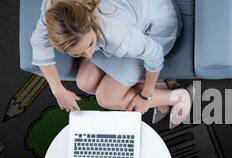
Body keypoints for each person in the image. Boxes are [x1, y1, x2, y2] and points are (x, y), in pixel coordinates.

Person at [30, 0, 193, 128]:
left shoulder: (118, 35)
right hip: (121, 29)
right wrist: (58, 91)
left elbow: (155, 54)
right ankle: (160, 87)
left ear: (87, 19)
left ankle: (179, 97)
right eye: (78, 54)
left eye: (90, 44)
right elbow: (39, 44)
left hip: (156, 29)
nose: (89, 55)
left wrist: (146, 95)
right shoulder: (53, 11)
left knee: (106, 99)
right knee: (84, 82)